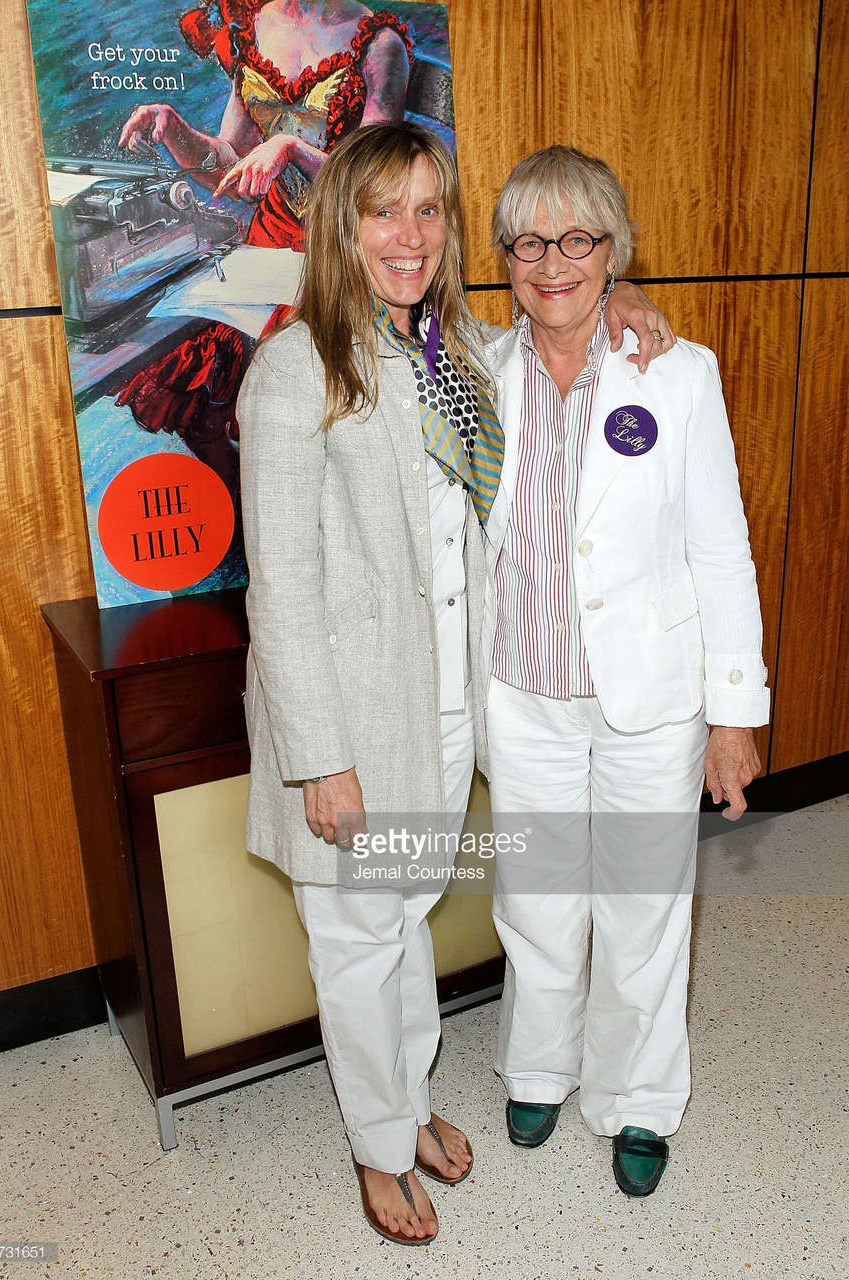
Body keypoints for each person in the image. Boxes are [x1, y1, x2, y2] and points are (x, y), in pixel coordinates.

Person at [238, 122, 673, 1245]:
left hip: (440, 708)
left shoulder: (454, 354)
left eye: (429, 210)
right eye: (384, 210)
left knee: (404, 918)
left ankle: (408, 1098)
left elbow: (553, 326)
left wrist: (620, 302)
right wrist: (317, 758)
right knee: (354, 933)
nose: (409, 234)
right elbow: (279, 588)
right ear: (341, 222)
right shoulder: (297, 369)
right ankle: (378, 1146)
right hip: (346, 718)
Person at [481, 146, 770, 1196]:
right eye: (528, 239)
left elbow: (719, 547)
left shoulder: (677, 373)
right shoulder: (479, 372)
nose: (551, 261)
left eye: (578, 238)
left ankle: (640, 1098)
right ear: (504, 255)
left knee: (643, 907)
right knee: (539, 899)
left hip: (650, 703)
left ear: (615, 250)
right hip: (523, 693)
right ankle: (540, 1065)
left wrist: (734, 713)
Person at [114, 0, 411, 488]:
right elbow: (228, 166)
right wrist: (174, 129)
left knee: (296, 393)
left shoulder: (379, 43)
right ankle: (248, 516)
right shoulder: (254, 28)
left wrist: (290, 148)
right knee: (182, 362)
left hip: (346, 250)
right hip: (268, 241)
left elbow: (373, 184)